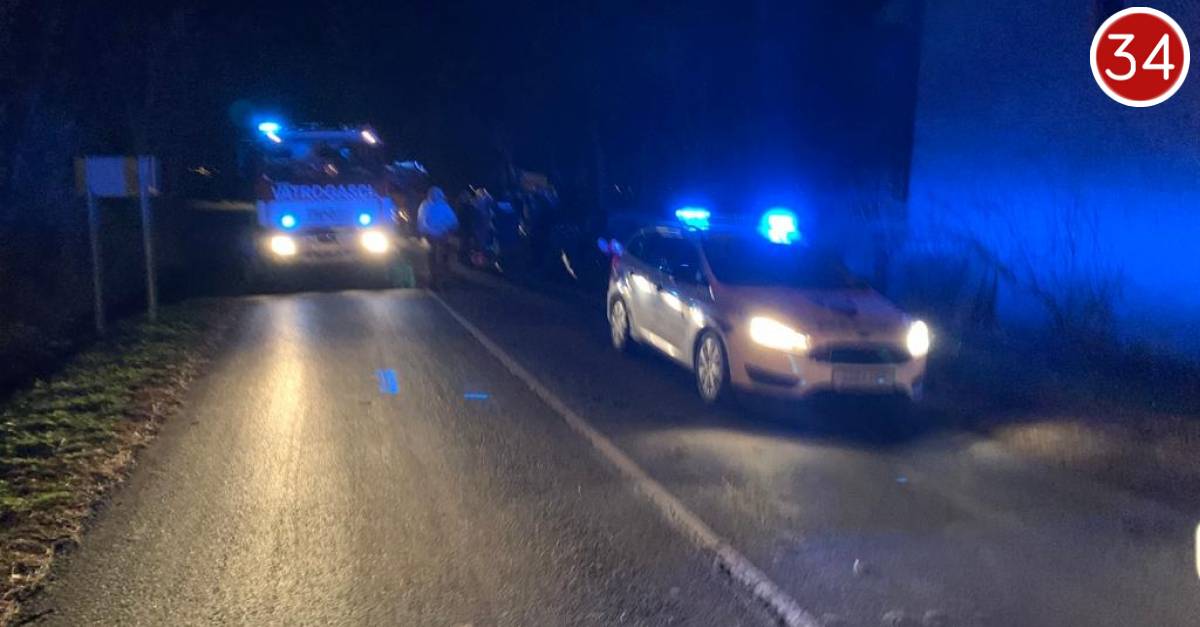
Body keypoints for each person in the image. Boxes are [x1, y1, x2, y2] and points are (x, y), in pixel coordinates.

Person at [417, 186, 458, 289]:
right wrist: (425, 232)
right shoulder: (426, 205)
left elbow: (453, 221)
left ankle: (440, 279)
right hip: (433, 237)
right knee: (434, 258)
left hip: (441, 236)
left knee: (439, 258)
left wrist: (448, 231)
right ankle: (436, 279)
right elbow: (422, 220)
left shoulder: (443, 206)